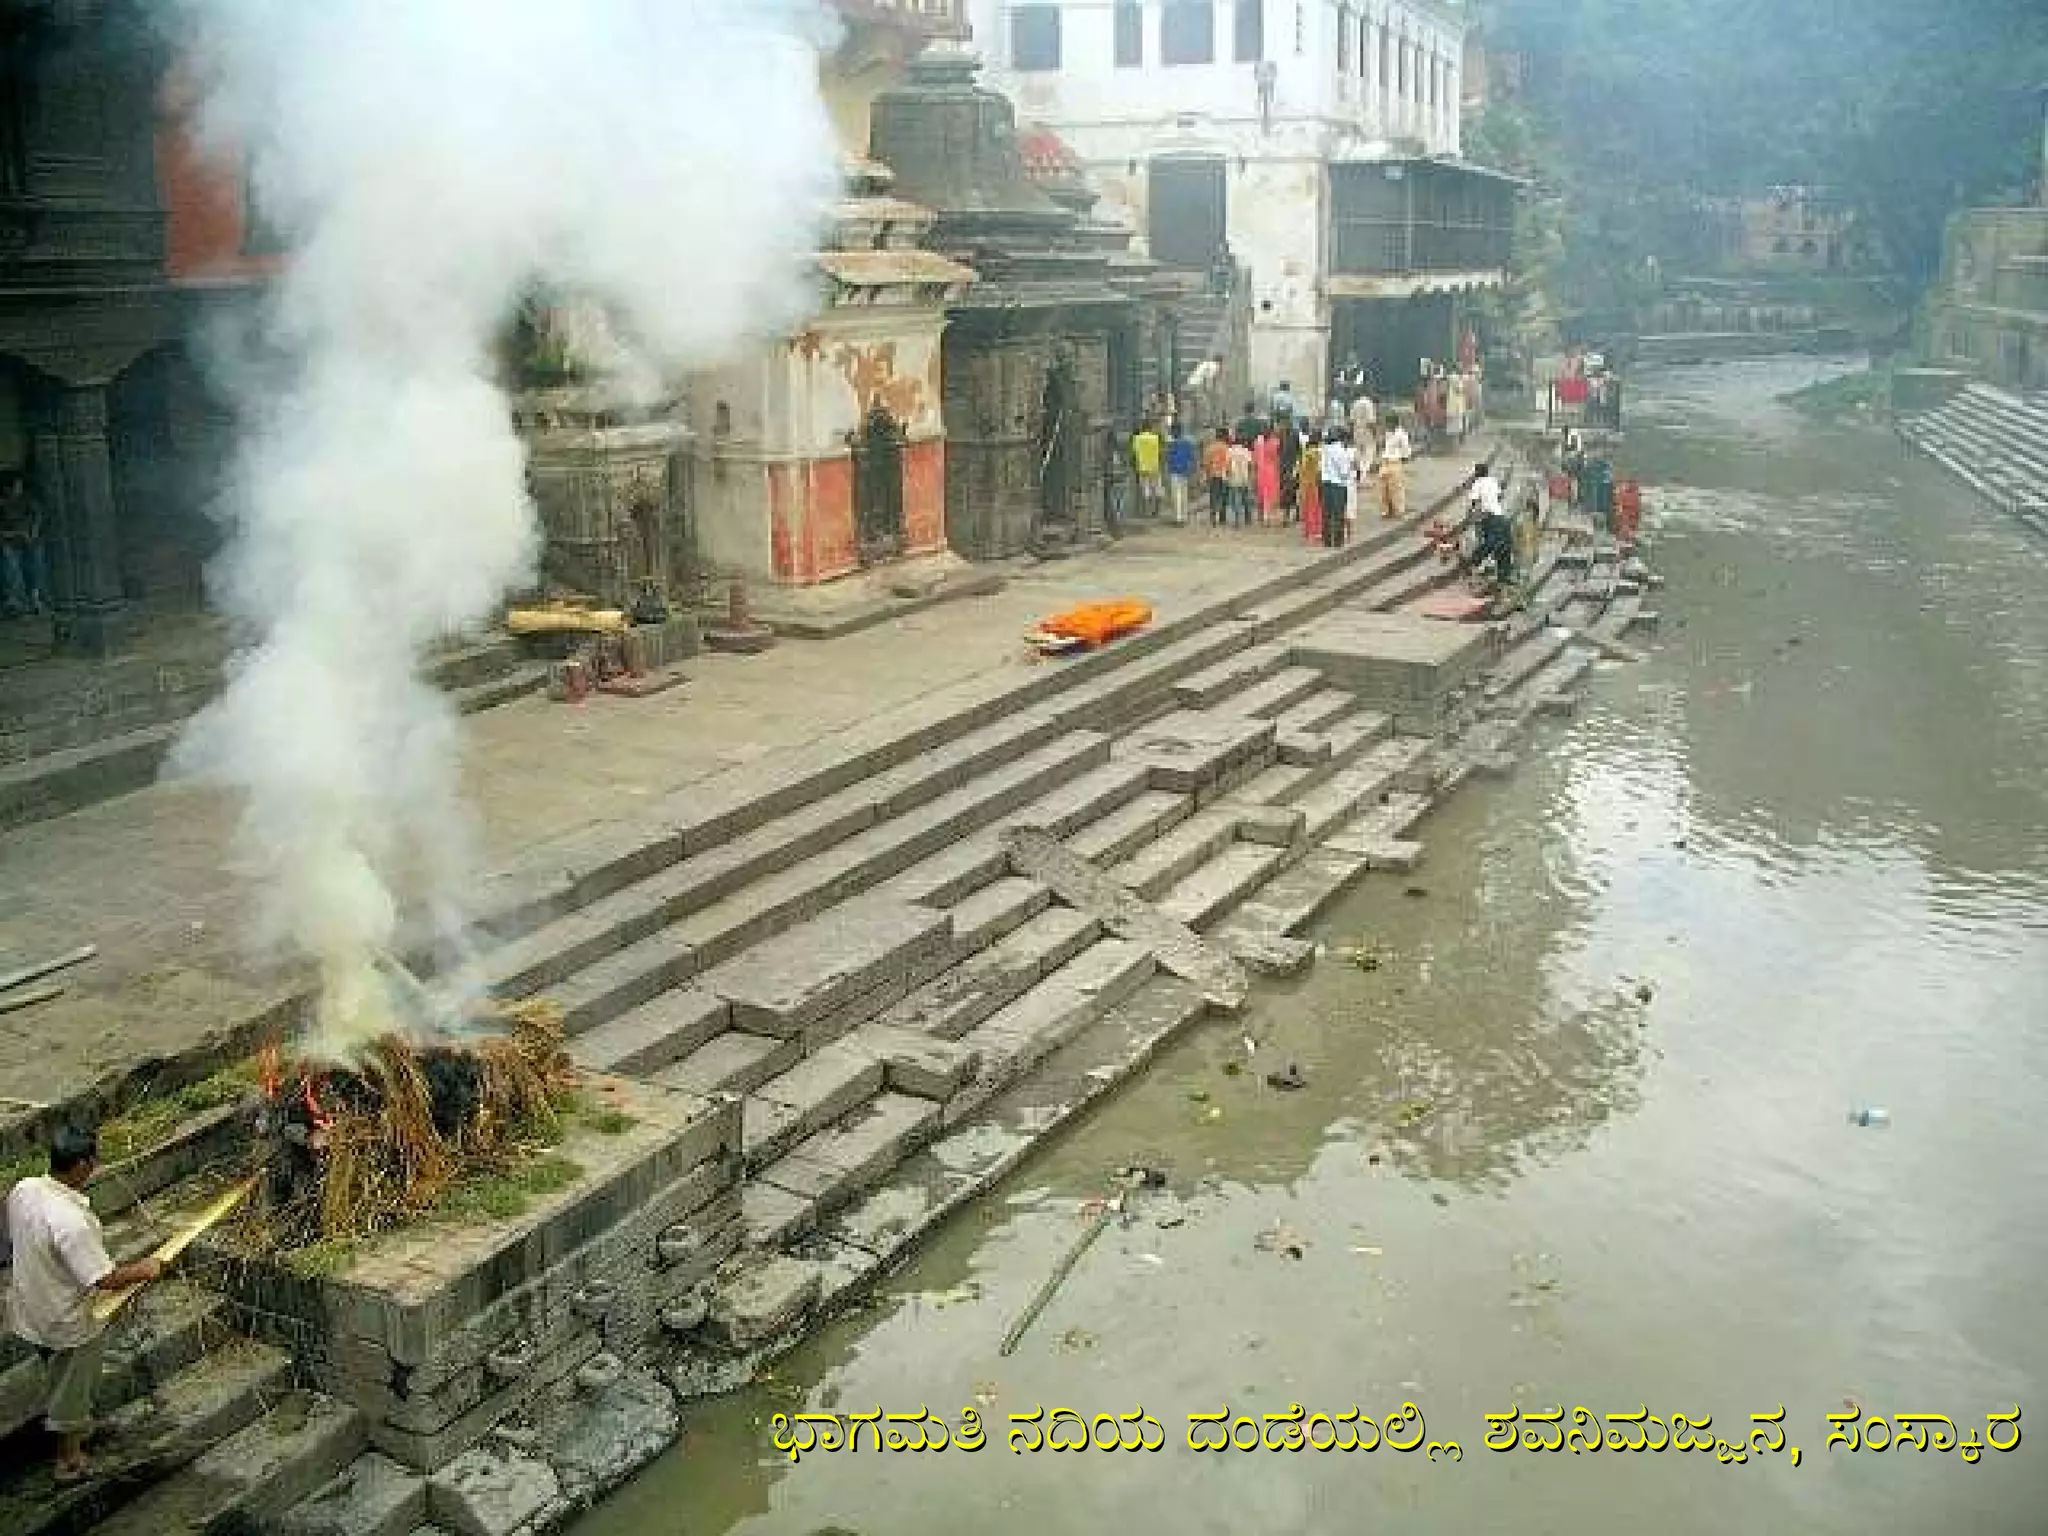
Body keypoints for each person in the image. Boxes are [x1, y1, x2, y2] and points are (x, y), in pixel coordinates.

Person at [7, 1126, 168, 1484]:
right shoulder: (70, 1222)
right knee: (72, 1388)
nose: (96, 1168)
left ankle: (74, 1432)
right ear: (80, 1165)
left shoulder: (25, 1189)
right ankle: (69, 1459)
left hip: (31, 1304)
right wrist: (145, 1268)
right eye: (93, 1162)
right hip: (66, 1320)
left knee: (56, 1369)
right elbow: (103, 1279)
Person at [0, 469, 49, 618]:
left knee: (37, 559)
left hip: (30, 541)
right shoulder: (2, 505)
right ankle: (16, 600)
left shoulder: (27, 499)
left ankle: (37, 596)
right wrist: (17, 534)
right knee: (11, 563)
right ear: (6, 489)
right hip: (9, 542)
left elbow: (38, 516)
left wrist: (33, 533)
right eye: (16, 486)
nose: (19, 489)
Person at [1466, 460, 1514, 588]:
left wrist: (1471, 515)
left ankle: (1475, 562)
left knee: (1494, 543)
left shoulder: (1478, 483)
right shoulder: (1492, 481)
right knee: (1503, 544)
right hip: (1498, 516)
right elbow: (1499, 496)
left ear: (1477, 473)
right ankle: (1502, 574)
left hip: (1490, 516)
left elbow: (1474, 501)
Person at [1318, 427, 1356, 549]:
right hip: (1338, 485)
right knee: (1338, 514)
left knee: (1327, 513)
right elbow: (1344, 472)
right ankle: (1338, 541)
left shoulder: (1324, 449)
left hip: (1326, 484)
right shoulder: (1340, 451)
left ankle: (1327, 540)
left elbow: (1321, 467)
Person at [1377, 411, 1412, 520]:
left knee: (1396, 488)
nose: (1387, 425)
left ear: (1395, 423)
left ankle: (1399, 511)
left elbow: (1406, 449)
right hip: (1385, 461)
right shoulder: (1387, 433)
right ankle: (1385, 511)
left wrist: (1403, 458)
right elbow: (1383, 446)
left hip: (1395, 462)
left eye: (1389, 423)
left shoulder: (1401, 434)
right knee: (1383, 488)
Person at [1164, 420, 1196, 526]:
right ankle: (1183, 517)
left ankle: (1178, 518)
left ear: (1175, 431)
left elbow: (1168, 458)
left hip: (1175, 472)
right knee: (1183, 495)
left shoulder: (1171, 444)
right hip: (1184, 471)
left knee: (1176, 495)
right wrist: (1191, 470)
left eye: (1172, 431)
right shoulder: (1187, 443)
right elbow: (1191, 458)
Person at [1130, 420, 1164, 520]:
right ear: (1150, 428)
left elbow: (1134, 454)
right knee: (1157, 488)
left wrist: (1134, 465)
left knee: (1146, 489)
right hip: (1155, 466)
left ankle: (1147, 511)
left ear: (1142, 428)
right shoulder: (1155, 438)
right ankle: (1156, 510)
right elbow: (1160, 453)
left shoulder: (1137, 439)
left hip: (1142, 467)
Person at [1202, 427, 1232, 526]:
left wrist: (1206, 475)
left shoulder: (1209, 448)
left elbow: (1206, 463)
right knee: (1223, 496)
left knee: (1213, 496)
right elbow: (1229, 463)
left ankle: (1213, 517)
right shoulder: (1226, 448)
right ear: (1224, 436)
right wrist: (1229, 473)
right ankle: (1222, 517)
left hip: (1213, 474)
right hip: (1223, 475)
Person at [1225, 432, 1256, 526]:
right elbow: (1250, 465)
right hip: (1244, 477)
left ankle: (1237, 519)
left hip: (1234, 477)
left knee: (1236, 498)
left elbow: (1227, 465)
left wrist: (1227, 475)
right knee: (1246, 498)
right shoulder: (1246, 451)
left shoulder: (1229, 451)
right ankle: (1248, 518)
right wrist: (1251, 477)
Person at [1300, 428, 1324, 546]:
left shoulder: (1306, 452)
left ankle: (1308, 530)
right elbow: (1320, 469)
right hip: (1317, 483)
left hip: (1306, 483)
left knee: (1308, 507)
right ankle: (1317, 530)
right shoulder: (1320, 452)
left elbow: (1301, 468)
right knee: (1317, 507)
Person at [1254, 427, 1281, 524]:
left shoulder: (1258, 443)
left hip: (1261, 471)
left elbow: (1255, 458)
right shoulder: (1275, 443)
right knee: (1270, 495)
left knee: (1261, 494)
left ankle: (1262, 516)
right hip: (1271, 471)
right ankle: (1268, 517)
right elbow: (1276, 458)